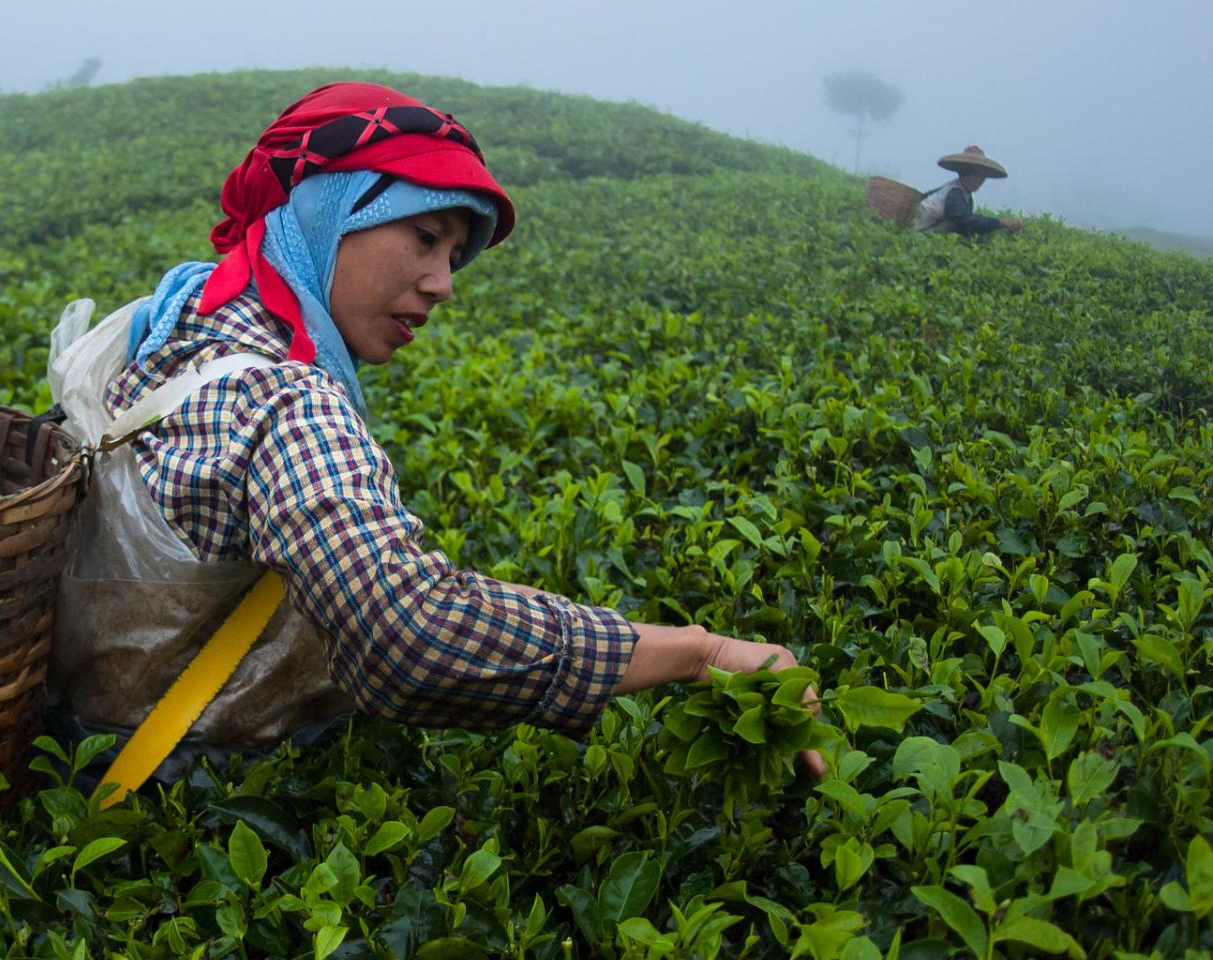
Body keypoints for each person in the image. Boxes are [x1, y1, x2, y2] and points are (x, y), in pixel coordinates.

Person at [47, 82, 826, 793]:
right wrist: (699, 652)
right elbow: (405, 631)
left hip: (85, 746)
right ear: (330, 214)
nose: (443, 283)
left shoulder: (182, 317)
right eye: (423, 237)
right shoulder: (284, 399)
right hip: (200, 802)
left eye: (454, 255)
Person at [911, 145, 1024, 236]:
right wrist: (1000, 223)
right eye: (979, 176)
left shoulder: (962, 193)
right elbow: (965, 220)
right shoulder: (954, 192)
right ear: (967, 174)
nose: (981, 181)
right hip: (919, 236)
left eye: (983, 177)